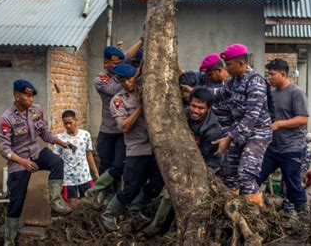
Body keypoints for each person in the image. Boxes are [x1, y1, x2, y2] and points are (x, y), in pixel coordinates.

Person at [0, 79, 74, 245]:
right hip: (19, 161)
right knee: (16, 202)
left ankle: (56, 201)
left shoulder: (36, 111)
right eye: (27, 96)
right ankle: (9, 240)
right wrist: (23, 162)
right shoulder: (7, 118)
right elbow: (4, 149)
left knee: (56, 161)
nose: (31, 100)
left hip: (37, 153)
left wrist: (61, 142)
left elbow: (44, 134)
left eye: (32, 96)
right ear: (17, 96)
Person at [143, 87, 223, 236]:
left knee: (186, 195)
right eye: (193, 105)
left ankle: (176, 230)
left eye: (201, 108)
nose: (195, 111)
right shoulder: (182, 115)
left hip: (207, 166)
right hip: (182, 161)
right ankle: (157, 226)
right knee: (169, 192)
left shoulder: (213, 130)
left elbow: (207, 158)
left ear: (208, 109)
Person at [101, 63, 164, 231]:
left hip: (154, 147)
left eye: (130, 79)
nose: (127, 83)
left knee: (158, 183)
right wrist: (140, 107)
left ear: (135, 76)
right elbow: (124, 127)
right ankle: (108, 214)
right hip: (136, 148)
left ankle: (136, 209)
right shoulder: (118, 101)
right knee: (131, 187)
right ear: (118, 81)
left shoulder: (146, 89)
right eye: (122, 81)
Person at [212, 44, 272, 206]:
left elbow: (251, 116)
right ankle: (234, 209)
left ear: (241, 63)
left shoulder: (256, 82)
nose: (226, 68)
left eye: (229, 65)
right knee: (228, 173)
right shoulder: (233, 81)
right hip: (239, 133)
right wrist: (194, 92)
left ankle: (256, 215)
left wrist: (229, 138)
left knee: (246, 175)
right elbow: (218, 94)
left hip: (257, 133)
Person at [257, 58, 310, 219]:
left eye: (272, 75)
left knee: (293, 185)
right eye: (268, 74)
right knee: (255, 176)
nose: (269, 78)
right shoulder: (271, 94)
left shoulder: (296, 93)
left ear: (283, 74)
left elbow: (303, 119)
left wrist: (280, 124)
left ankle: (305, 218)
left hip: (292, 148)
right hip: (273, 148)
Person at [92, 46, 127, 199]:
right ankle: (102, 196)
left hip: (122, 132)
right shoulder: (101, 79)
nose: (118, 66)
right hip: (107, 131)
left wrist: (140, 42)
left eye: (121, 62)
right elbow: (114, 90)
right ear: (106, 63)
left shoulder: (124, 74)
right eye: (115, 64)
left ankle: (115, 198)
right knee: (105, 166)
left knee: (119, 166)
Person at [53, 110, 99, 208]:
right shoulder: (60, 139)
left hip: (84, 176)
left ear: (76, 121)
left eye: (70, 122)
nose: (68, 126)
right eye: (65, 123)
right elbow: (56, 159)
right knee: (72, 205)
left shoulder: (85, 135)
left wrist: (95, 173)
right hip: (68, 178)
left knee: (89, 203)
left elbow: (89, 154)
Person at [198, 53, 233, 133]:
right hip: (210, 127)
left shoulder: (234, 83)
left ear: (219, 71)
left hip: (228, 129)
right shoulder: (207, 78)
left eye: (210, 74)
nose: (208, 77)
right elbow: (188, 75)